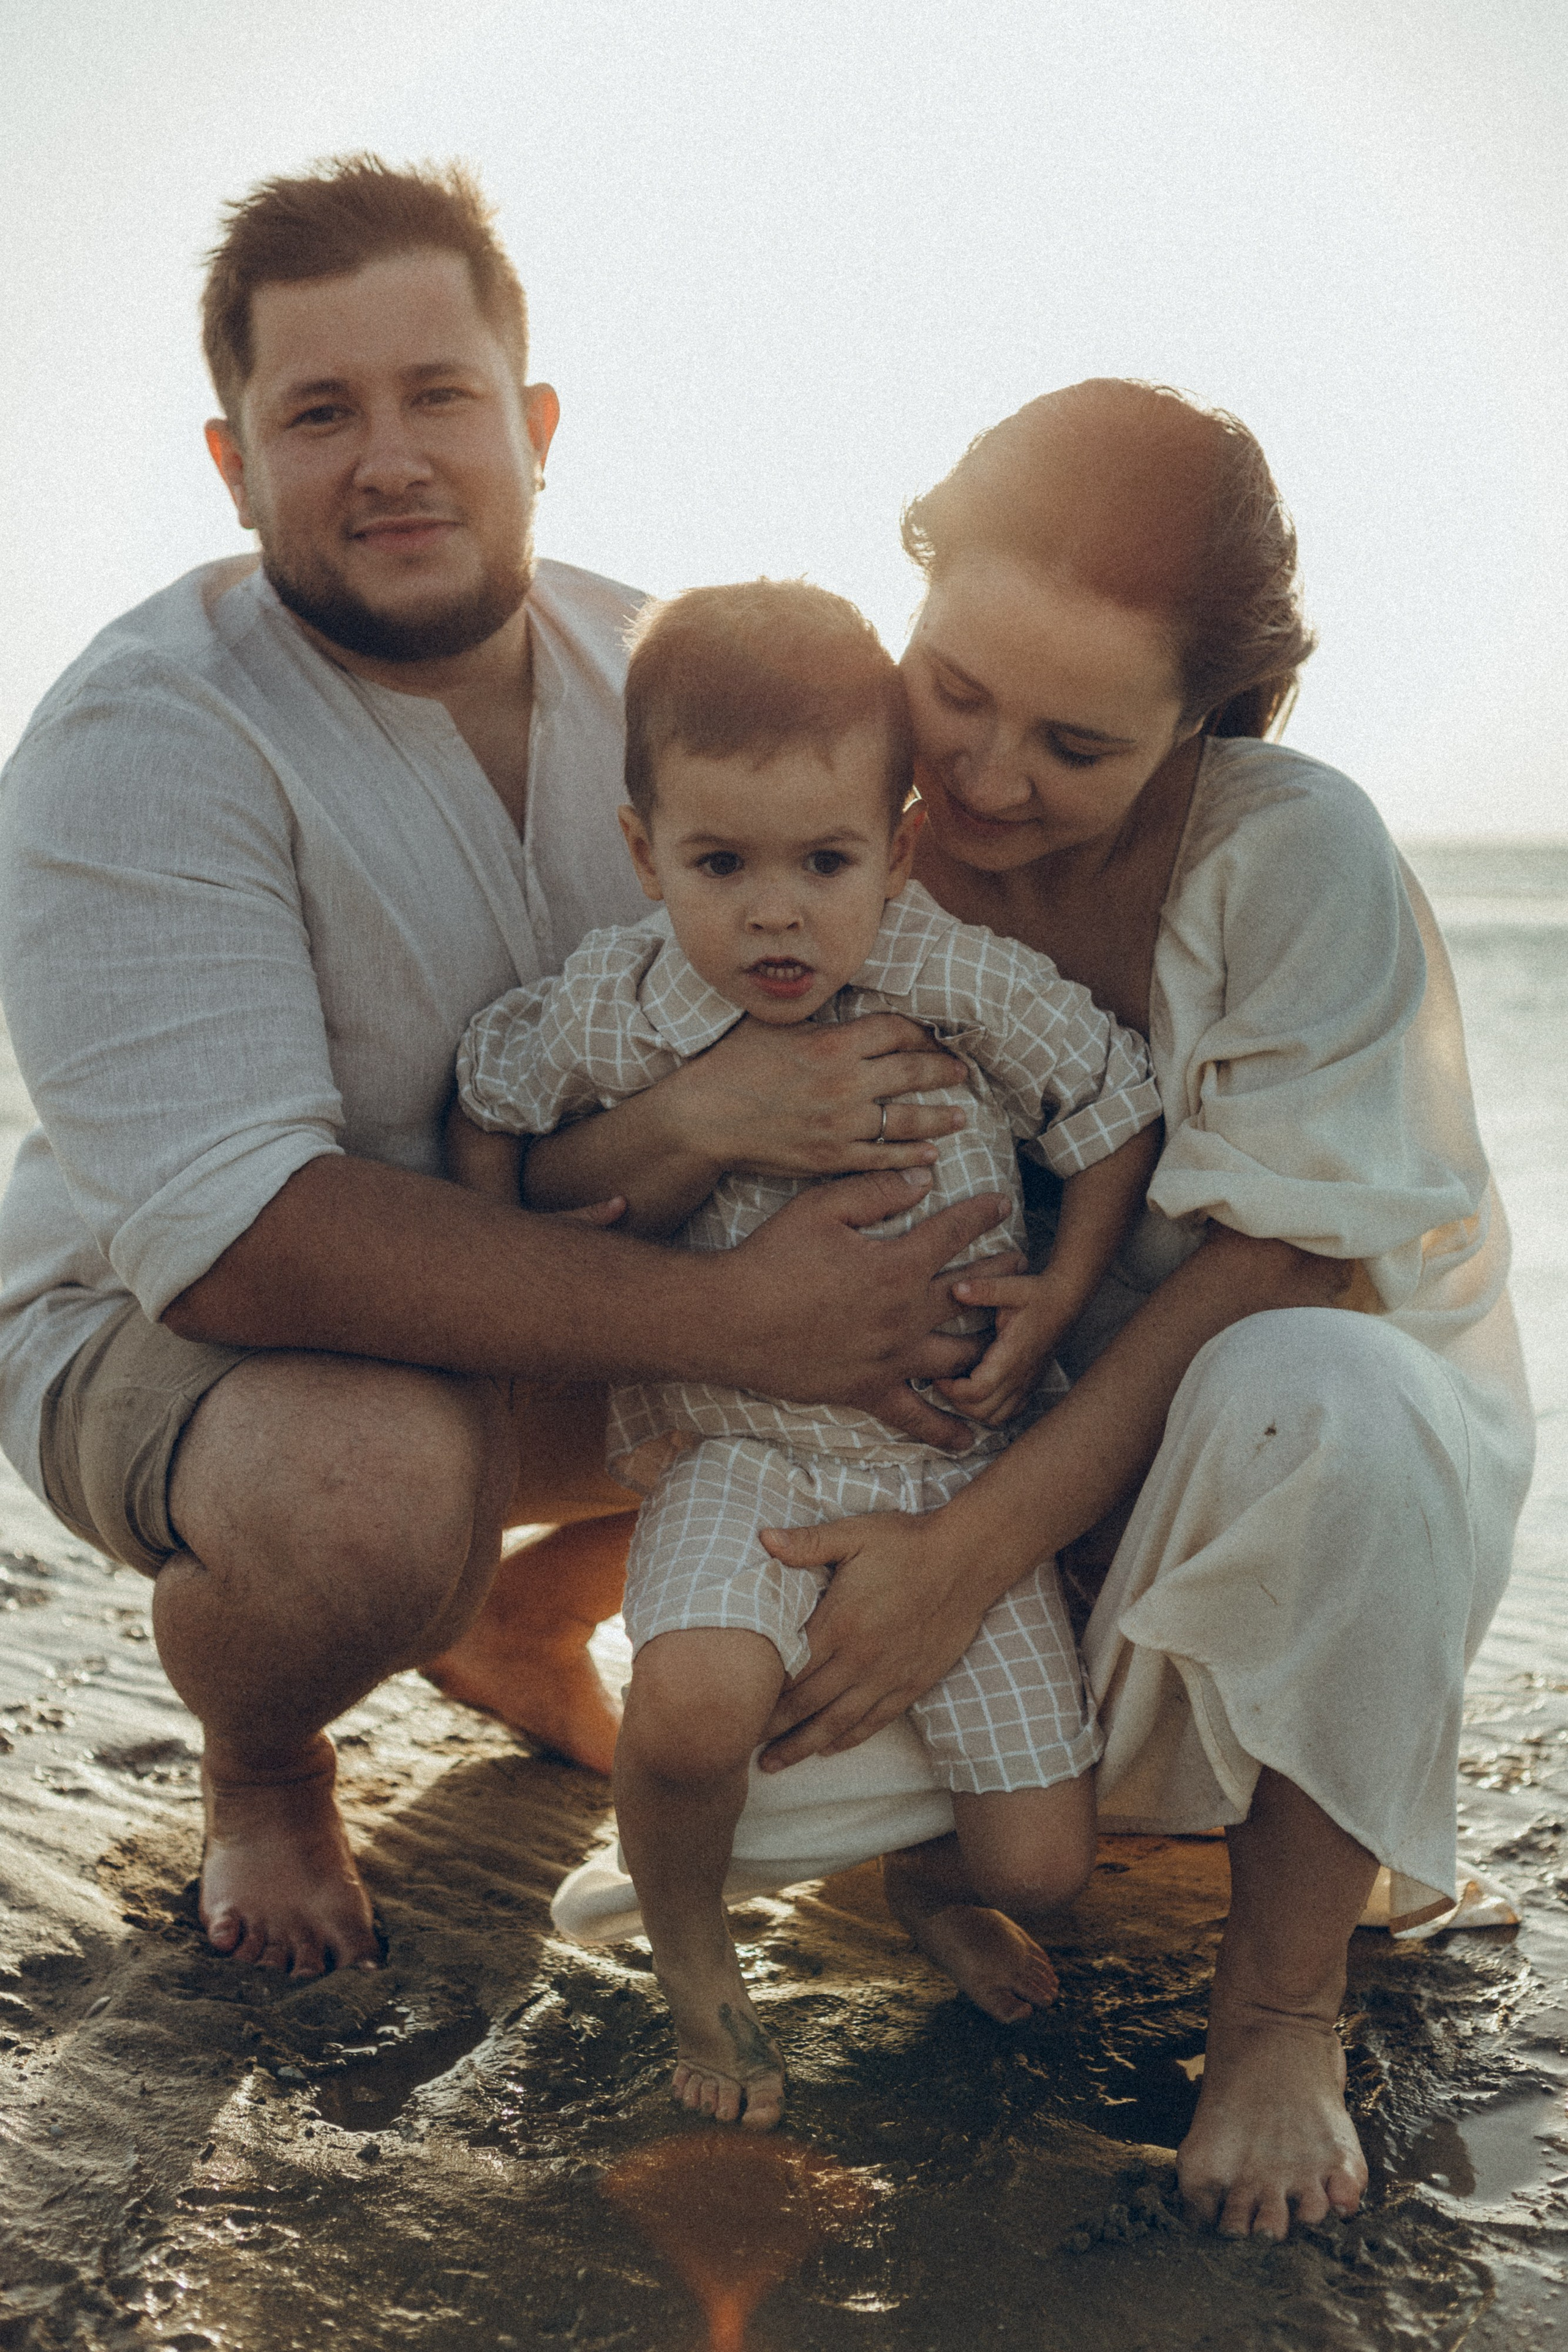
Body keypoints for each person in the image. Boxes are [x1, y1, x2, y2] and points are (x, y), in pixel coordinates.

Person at [0, 156, 1012, 1985]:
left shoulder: (670, 672)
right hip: (200, 1342)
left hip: (563, 1298)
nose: (391, 457)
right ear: (235, 464)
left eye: (438, 396)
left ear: (535, 424)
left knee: (965, 1280)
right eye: (321, 411)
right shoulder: (140, 736)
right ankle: (266, 1757)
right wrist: (756, 1329)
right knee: (370, 1498)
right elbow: (241, 1239)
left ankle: (528, 1620)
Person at [543, 383, 1536, 2236]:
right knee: (683, 1801)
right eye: (962, 690)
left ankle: (1280, 2011)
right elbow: (553, 1147)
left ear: (1202, 721)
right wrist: (692, 1121)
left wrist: (971, 1561)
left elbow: (1278, 1257)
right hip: (934, 1503)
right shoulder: (832, 832)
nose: (988, 777)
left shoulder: (1286, 854)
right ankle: (893, 1818)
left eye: (1076, 742)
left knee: (1325, 1385)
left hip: (1240, 1509)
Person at [449, 579, 1163, 2125]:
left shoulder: (943, 971)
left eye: (824, 861)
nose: (775, 912)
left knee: (1041, 1863)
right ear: (643, 853)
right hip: (736, 1452)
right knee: (693, 1707)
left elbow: (1112, 1108)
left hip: (948, 1465)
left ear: (896, 848)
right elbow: (491, 1096)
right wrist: (542, 1265)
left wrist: (1060, 1292)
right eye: (719, 864)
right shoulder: (625, 1002)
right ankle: (698, 1957)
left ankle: (921, 1886)